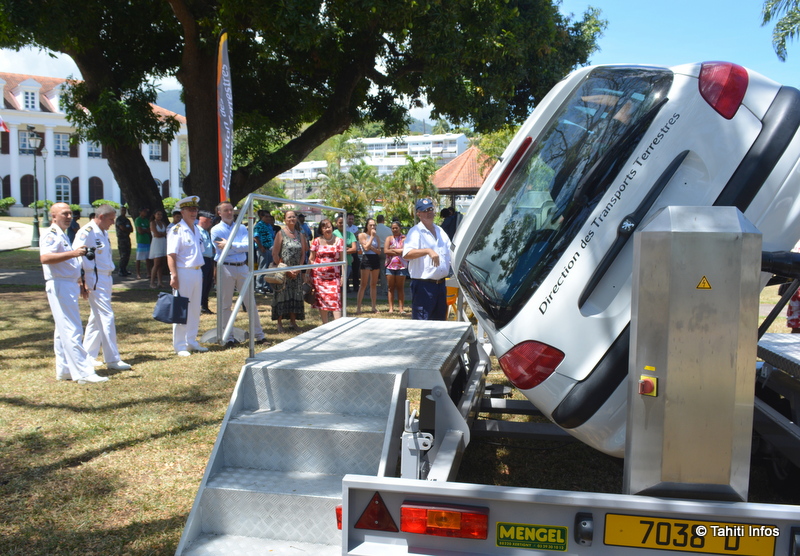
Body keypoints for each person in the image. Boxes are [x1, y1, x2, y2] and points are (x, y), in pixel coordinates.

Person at [40, 202, 108, 384]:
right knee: (72, 328)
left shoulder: (62, 234)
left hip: (67, 284)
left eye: (70, 213)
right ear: (53, 216)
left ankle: (65, 369)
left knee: (62, 330)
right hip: (60, 285)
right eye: (64, 214)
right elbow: (45, 258)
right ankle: (84, 371)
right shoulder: (51, 234)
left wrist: (78, 279)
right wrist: (74, 253)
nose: (69, 217)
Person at [74, 205, 132, 372]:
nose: (113, 223)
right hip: (94, 276)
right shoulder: (87, 232)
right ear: (100, 217)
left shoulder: (102, 231)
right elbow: (77, 254)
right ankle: (113, 359)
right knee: (106, 316)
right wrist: (81, 278)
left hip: (105, 276)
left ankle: (88, 356)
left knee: (96, 317)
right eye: (110, 219)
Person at [211, 201, 267, 347]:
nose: (230, 213)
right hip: (226, 268)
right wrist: (238, 246)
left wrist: (230, 244)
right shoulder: (216, 230)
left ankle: (259, 335)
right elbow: (221, 249)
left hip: (242, 267)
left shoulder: (241, 227)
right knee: (225, 304)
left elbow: (249, 246)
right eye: (226, 210)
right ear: (219, 213)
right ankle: (227, 338)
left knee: (251, 303)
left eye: (231, 210)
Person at [166, 196, 209, 357]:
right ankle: (179, 345)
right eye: (190, 210)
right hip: (183, 272)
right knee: (181, 308)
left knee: (194, 309)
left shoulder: (196, 229)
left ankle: (191, 340)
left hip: (196, 271)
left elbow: (199, 252)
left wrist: (200, 272)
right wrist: (174, 275)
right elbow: (171, 254)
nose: (193, 212)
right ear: (182, 212)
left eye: (195, 210)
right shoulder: (176, 230)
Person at [403, 198, 452, 320]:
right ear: (418, 213)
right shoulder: (415, 232)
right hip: (423, 286)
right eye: (424, 210)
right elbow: (407, 254)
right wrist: (427, 251)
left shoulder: (440, 231)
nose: (428, 212)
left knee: (439, 324)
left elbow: (450, 252)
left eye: (430, 209)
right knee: (422, 325)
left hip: (440, 285)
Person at [271, 210, 307, 333]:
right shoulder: (280, 234)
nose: (292, 218)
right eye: (289, 217)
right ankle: (279, 323)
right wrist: (285, 269)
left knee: (295, 296)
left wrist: (298, 269)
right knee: (282, 296)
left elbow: (303, 254)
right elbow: (275, 254)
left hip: (296, 273)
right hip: (283, 271)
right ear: (285, 220)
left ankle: (293, 322)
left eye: (293, 216)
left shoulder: (300, 235)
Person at [307, 218, 344, 324]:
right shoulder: (316, 241)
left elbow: (342, 260)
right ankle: (325, 325)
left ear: (332, 227)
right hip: (318, 277)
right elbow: (311, 258)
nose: (327, 229)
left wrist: (342, 276)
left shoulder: (339, 241)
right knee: (322, 301)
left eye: (329, 226)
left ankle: (338, 325)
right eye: (324, 227)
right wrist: (307, 274)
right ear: (321, 229)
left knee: (335, 299)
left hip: (334, 276)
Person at [356, 218, 382, 313]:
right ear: (366, 226)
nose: (372, 227)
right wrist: (371, 237)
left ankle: (373, 307)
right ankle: (358, 307)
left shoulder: (377, 237)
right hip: (366, 259)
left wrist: (371, 247)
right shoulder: (362, 235)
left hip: (375, 259)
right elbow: (366, 248)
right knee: (363, 284)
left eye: (374, 225)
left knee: (374, 284)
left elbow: (379, 251)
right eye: (370, 225)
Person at [384, 220, 409, 313]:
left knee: (400, 287)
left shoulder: (405, 238)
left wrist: (393, 250)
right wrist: (398, 250)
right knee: (390, 287)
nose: (394, 230)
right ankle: (391, 308)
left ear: (400, 228)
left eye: (396, 228)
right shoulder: (389, 238)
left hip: (401, 266)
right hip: (390, 266)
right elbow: (386, 251)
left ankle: (401, 308)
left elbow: (405, 251)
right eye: (393, 228)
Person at [198, 210, 216, 314]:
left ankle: (204, 305)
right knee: (202, 284)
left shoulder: (206, 232)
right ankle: (200, 305)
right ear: (204, 220)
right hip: (202, 260)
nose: (211, 223)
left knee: (208, 284)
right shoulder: (197, 231)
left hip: (209, 259)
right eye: (210, 221)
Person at [254, 210, 275, 294]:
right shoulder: (258, 225)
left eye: (269, 216)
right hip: (263, 249)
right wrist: (261, 247)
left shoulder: (269, 225)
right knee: (262, 267)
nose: (268, 218)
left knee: (269, 268)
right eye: (266, 216)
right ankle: (258, 286)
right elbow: (255, 237)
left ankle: (266, 286)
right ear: (261, 217)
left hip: (270, 249)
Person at [334, 215, 357, 288]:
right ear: (336, 223)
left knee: (343, 285)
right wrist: (346, 249)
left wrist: (341, 249)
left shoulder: (351, 234)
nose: (342, 224)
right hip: (336, 263)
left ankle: (343, 299)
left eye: (343, 222)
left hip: (348, 262)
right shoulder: (333, 234)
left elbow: (354, 249)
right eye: (340, 222)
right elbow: (333, 249)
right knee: (336, 284)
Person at [149, 208, 169, 288]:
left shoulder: (163, 223)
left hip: (163, 243)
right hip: (156, 243)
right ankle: (152, 282)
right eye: (158, 214)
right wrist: (162, 234)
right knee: (156, 263)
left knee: (161, 264)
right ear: (154, 215)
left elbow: (167, 233)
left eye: (161, 214)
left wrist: (162, 234)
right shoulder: (153, 223)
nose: (159, 216)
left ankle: (160, 282)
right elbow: (156, 234)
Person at [375, 214, 393, 293]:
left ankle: (369, 289)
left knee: (373, 270)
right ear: (383, 220)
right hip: (385, 250)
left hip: (375, 250)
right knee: (383, 270)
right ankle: (384, 289)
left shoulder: (374, 229)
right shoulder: (388, 229)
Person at [115, 206, 133, 276]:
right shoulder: (119, 219)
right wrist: (126, 228)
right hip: (121, 239)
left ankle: (124, 269)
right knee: (123, 255)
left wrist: (126, 229)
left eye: (124, 210)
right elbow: (122, 228)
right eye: (122, 210)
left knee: (128, 254)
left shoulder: (127, 220)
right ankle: (120, 270)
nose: (123, 212)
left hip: (127, 238)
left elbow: (131, 229)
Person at [134, 207, 152, 280]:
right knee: (139, 259)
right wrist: (145, 230)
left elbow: (149, 230)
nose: (145, 213)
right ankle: (138, 273)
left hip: (147, 240)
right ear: (140, 212)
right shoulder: (138, 220)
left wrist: (145, 229)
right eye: (144, 212)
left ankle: (148, 273)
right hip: (141, 241)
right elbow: (140, 231)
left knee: (147, 258)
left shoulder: (146, 220)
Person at [346, 213, 360, 292]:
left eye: (352, 219)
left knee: (355, 270)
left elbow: (356, 239)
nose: (351, 220)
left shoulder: (355, 227)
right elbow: (348, 238)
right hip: (347, 251)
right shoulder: (345, 228)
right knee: (347, 269)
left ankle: (356, 287)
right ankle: (347, 288)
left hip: (354, 251)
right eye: (349, 219)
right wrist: (354, 235)